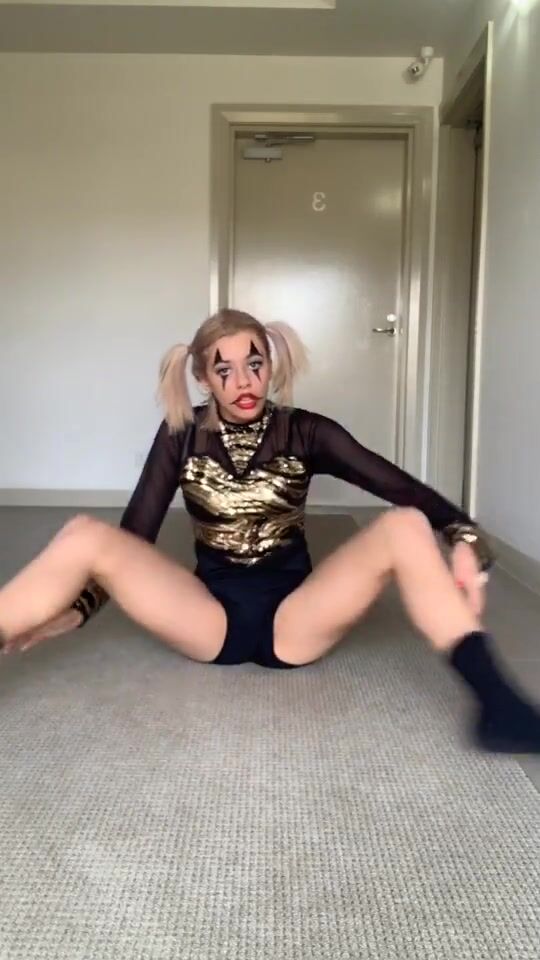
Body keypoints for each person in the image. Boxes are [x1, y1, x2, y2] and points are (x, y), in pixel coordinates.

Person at [1, 308, 539, 755]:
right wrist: (81, 607)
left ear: (270, 366)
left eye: (254, 365)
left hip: (295, 619)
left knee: (405, 524)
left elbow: (398, 486)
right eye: (226, 370)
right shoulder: (179, 435)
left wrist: (465, 536)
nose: (244, 382)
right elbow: (132, 539)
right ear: (203, 378)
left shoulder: (306, 430)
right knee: (83, 533)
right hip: (208, 618)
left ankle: (500, 706)